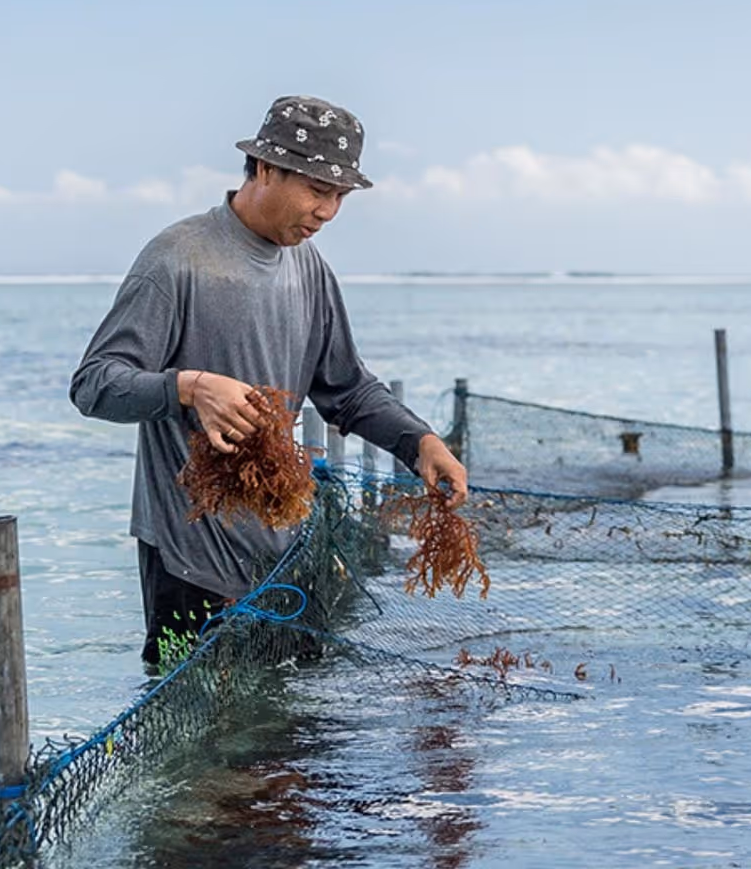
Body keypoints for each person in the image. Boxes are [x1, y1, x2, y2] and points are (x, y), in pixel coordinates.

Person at [70, 95, 468, 666]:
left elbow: (348, 389)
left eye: (338, 197)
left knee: (294, 744)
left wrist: (420, 443)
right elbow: (95, 384)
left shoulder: (310, 270)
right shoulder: (177, 259)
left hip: (283, 557)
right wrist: (188, 386)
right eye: (315, 190)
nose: (327, 211)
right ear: (264, 168)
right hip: (190, 564)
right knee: (209, 749)